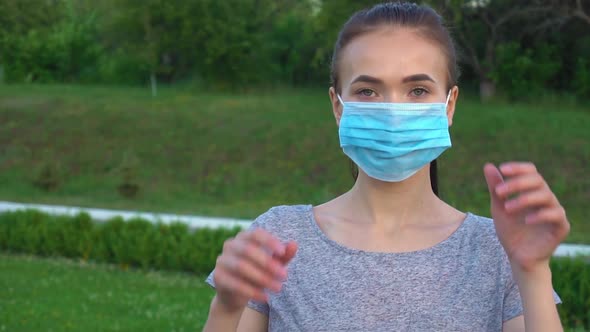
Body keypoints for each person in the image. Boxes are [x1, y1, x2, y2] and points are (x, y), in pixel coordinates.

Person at [203, 2, 570, 331]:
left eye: (417, 91)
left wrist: (532, 273)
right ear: (337, 105)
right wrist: (226, 307)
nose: (394, 112)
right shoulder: (278, 238)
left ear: (449, 104)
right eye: (367, 91)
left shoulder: (498, 250)